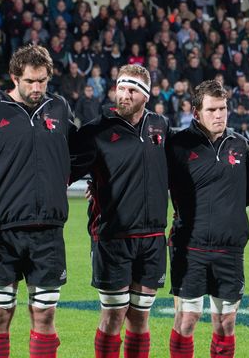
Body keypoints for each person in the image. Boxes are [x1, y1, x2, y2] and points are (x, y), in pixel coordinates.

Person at [0, 45, 74, 358]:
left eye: (42, 81)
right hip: (2, 234)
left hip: (48, 233)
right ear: (14, 78)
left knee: (45, 316)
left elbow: (78, 152)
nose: (37, 88)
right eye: (29, 81)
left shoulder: (59, 109)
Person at [70, 64, 170, 358]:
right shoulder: (95, 131)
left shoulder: (160, 126)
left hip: (152, 238)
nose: (123, 95)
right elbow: (60, 171)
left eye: (132, 90)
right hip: (112, 237)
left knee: (140, 319)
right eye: (121, 88)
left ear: (146, 96)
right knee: (113, 317)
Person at [166, 80, 249, 358]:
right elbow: (146, 178)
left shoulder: (239, 145)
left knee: (226, 324)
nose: (219, 115)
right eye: (212, 110)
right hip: (191, 247)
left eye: (223, 109)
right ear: (196, 113)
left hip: (230, 249)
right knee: (187, 320)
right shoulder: (178, 146)